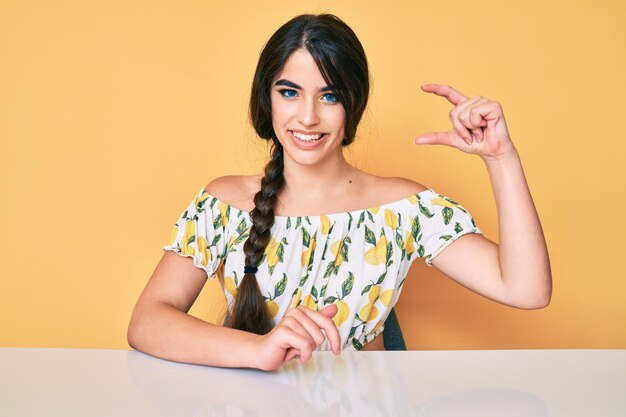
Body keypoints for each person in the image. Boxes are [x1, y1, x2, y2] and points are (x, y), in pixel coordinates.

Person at [127, 13, 552, 371]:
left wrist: (501, 158)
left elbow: (527, 290)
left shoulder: (403, 208)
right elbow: (146, 322)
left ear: (354, 105)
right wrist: (258, 349)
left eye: (329, 95)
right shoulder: (224, 204)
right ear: (267, 99)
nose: (308, 117)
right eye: (289, 92)